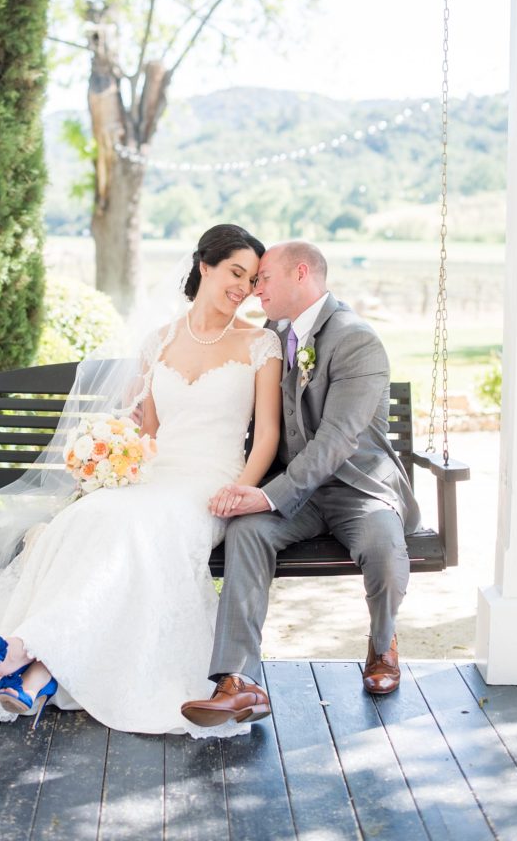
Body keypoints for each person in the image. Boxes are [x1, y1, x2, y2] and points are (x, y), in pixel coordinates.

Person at [0, 224, 283, 737]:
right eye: (235, 272)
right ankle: (38, 676)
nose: (243, 287)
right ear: (204, 266)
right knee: (88, 518)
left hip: (210, 486)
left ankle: (20, 651)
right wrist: (114, 456)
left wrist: (243, 491)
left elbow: (267, 434)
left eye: (251, 280)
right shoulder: (159, 342)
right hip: (156, 479)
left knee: (129, 529)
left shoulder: (260, 344)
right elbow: (147, 430)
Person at [181, 241, 421, 729]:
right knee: (248, 532)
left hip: (357, 488)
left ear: (302, 274)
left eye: (263, 278)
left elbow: (335, 440)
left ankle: (383, 644)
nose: (255, 288)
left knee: (382, 545)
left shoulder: (357, 340)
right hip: (297, 493)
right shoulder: (272, 334)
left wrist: (268, 494)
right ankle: (237, 681)